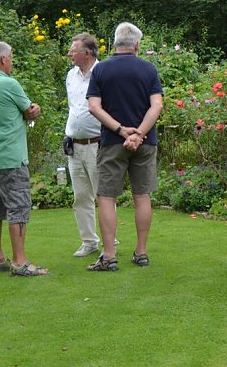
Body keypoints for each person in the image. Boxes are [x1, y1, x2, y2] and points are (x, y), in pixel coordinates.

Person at [85, 22, 164, 272]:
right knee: (142, 195)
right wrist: (139, 133)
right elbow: (157, 106)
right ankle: (140, 252)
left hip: (111, 142)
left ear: (115, 42)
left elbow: (94, 107)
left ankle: (109, 256)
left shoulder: (101, 71)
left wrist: (120, 130)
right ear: (137, 45)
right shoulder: (148, 69)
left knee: (107, 197)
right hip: (145, 142)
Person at [0, 41, 48, 277]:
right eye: (11, 58)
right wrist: (34, 110)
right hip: (10, 157)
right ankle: (20, 262)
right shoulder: (9, 84)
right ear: (4, 60)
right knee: (19, 208)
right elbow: (29, 110)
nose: (12, 62)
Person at [64, 33, 110, 257]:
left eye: (74, 49)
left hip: (97, 144)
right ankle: (89, 241)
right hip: (74, 145)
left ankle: (109, 243)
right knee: (81, 196)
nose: (70, 53)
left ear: (88, 52)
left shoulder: (103, 73)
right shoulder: (71, 76)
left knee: (103, 196)